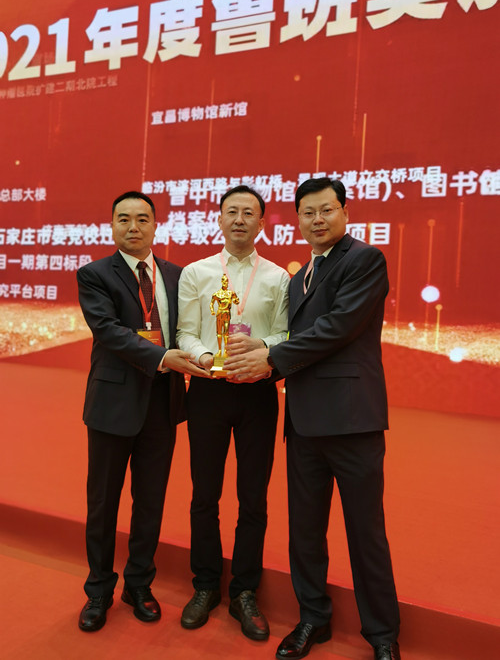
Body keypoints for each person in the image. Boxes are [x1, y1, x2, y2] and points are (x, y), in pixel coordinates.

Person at [224, 178, 401, 660]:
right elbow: (292, 335)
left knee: (365, 532)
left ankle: (382, 635)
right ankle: (312, 619)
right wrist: (261, 346)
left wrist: (270, 359)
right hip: (302, 421)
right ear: (298, 220)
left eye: (326, 210)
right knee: (304, 531)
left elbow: (337, 327)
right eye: (308, 212)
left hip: (352, 419)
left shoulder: (364, 260)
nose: (317, 220)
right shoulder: (301, 274)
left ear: (345, 213)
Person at [76, 190, 209, 632]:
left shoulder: (177, 275)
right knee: (103, 503)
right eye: (124, 218)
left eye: (142, 218)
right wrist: (162, 357)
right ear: (112, 225)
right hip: (113, 404)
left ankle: (139, 584)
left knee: (150, 501)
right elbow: (108, 330)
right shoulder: (95, 274)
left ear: (155, 224)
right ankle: (98, 590)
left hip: (162, 404)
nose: (133, 226)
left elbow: (188, 328)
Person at [176, 185, 290, 641]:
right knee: (204, 494)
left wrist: (259, 348)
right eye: (231, 212)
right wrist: (206, 357)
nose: (239, 219)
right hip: (208, 392)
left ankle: (244, 591)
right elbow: (185, 333)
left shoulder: (278, 278)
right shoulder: (196, 273)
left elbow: (286, 334)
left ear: (261, 223)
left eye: (248, 213)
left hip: (258, 393)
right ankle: (205, 585)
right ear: (219, 219)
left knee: (253, 498)